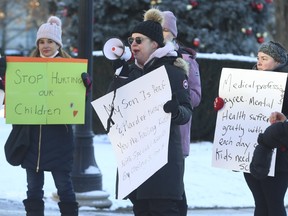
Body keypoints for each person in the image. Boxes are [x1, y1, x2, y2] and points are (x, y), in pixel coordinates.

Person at [3, 16, 91, 216]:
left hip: (59, 140)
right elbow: (14, 97)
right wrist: (5, 80)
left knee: (64, 187)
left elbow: (75, 104)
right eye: (41, 42)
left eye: (50, 41)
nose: (45, 45)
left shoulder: (70, 70)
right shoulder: (24, 70)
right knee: (33, 189)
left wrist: (84, 89)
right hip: (31, 141)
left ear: (58, 44)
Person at [109, 8, 193, 216]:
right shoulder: (129, 71)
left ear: (154, 44)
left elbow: (186, 112)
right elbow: (111, 111)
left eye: (139, 40)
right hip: (136, 160)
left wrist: (175, 111)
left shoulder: (173, 71)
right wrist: (120, 77)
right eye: (131, 40)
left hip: (163, 161)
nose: (133, 45)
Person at [161, 10, 202, 216]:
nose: (162, 33)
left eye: (165, 29)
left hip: (176, 132)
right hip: (150, 133)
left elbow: (195, 96)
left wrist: (178, 97)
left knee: (176, 189)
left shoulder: (186, 59)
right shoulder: (142, 57)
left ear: (174, 33)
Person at [244, 41, 288, 216]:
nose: (259, 62)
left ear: (278, 62)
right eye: (258, 58)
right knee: (260, 203)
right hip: (252, 153)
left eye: (264, 58)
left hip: (280, 158)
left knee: (274, 202)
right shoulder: (247, 82)